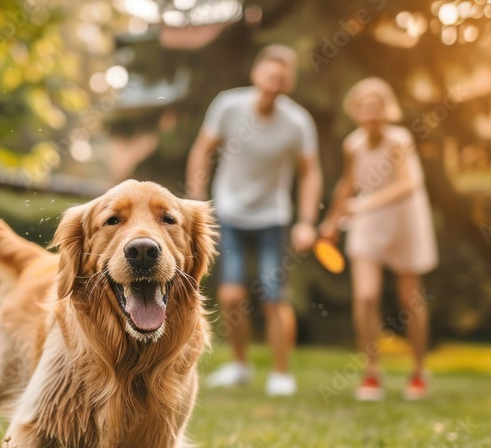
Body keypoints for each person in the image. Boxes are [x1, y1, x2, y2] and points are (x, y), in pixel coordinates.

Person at [186, 44, 323, 397]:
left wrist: (306, 220)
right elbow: (203, 150)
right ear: (256, 73)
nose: (275, 81)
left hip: (272, 218)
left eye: (283, 76)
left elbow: (310, 173)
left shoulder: (297, 122)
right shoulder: (228, 106)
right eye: (270, 73)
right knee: (231, 296)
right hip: (228, 213)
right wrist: (196, 202)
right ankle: (241, 366)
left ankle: (281, 373)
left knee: (274, 296)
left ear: (289, 82)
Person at [318, 77, 438, 401]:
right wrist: (330, 221)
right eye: (363, 106)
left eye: (376, 106)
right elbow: (347, 183)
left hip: (404, 220)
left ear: (387, 110)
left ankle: (418, 372)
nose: (370, 112)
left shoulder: (400, 140)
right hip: (368, 223)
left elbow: (409, 183)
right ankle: (372, 374)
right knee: (366, 297)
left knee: (409, 300)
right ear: (355, 112)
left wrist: (364, 204)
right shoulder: (353, 144)